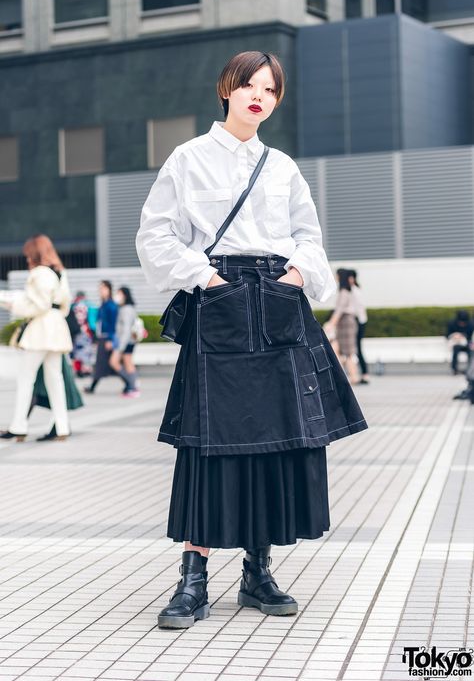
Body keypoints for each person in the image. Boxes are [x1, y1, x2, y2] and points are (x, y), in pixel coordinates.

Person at [136, 50, 368, 630]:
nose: (258, 95)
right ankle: (193, 577)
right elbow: (155, 235)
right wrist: (206, 278)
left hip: (279, 300)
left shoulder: (283, 167)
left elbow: (310, 238)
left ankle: (257, 572)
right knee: (208, 439)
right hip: (218, 298)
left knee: (276, 436)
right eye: (248, 85)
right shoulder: (188, 160)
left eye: (269, 88)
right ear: (227, 90)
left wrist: (294, 278)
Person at [0, 234, 72, 442]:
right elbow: (63, 304)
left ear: (33, 253)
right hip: (57, 327)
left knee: (26, 377)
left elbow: (38, 305)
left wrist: (12, 304)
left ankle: (19, 426)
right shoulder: (59, 272)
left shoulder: (39, 273)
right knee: (54, 378)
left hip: (41, 329)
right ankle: (61, 427)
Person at [324, 269, 359, 385]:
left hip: (346, 322)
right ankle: (352, 376)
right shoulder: (347, 291)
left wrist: (331, 324)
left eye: (337, 275)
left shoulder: (344, 292)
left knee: (347, 351)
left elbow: (339, 310)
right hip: (346, 322)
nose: (336, 277)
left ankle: (353, 377)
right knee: (345, 351)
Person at [84, 281, 118, 394]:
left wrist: (110, 339)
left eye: (103, 288)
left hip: (107, 338)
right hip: (102, 337)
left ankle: (130, 383)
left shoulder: (111, 305)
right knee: (105, 363)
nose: (101, 291)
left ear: (109, 290)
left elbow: (113, 324)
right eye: (100, 289)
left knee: (108, 363)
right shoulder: (103, 305)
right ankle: (130, 383)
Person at [108, 286, 140, 398]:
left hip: (125, 342)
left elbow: (126, 329)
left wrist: (120, 347)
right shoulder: (125, 308)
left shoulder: (126, 309)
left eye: (119, 293)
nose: (117, 296)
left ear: (125, 295)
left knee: (117, 362)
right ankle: (131, 385)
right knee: (127, 363)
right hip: (126, 341)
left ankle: (132, 386)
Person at [347, 269, 369, 384]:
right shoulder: (355, 290)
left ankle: (365, 374)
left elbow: (356, 310)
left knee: (357, 348)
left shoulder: (354, 291)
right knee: (357, 349)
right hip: (360, 322)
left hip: (359, 322)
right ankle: (363, 374)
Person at [71, 291, 95, 377]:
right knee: (86, 352)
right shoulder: (88, 305)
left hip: (76, 332)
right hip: (86, 332)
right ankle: (86, 370)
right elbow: (92, 323)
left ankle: (78, 370)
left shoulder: (73, 306)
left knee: (77, 352)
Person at [446, 309, 473, 375]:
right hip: (456, 344)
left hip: (467, 343)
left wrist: (463, 336)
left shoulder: (471, 324)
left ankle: (469, 369)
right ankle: (454, 369)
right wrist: (454, 336)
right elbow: (447, 335)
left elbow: (471, 336)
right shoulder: (452, 323)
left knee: (471, 351)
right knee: (456, 349)